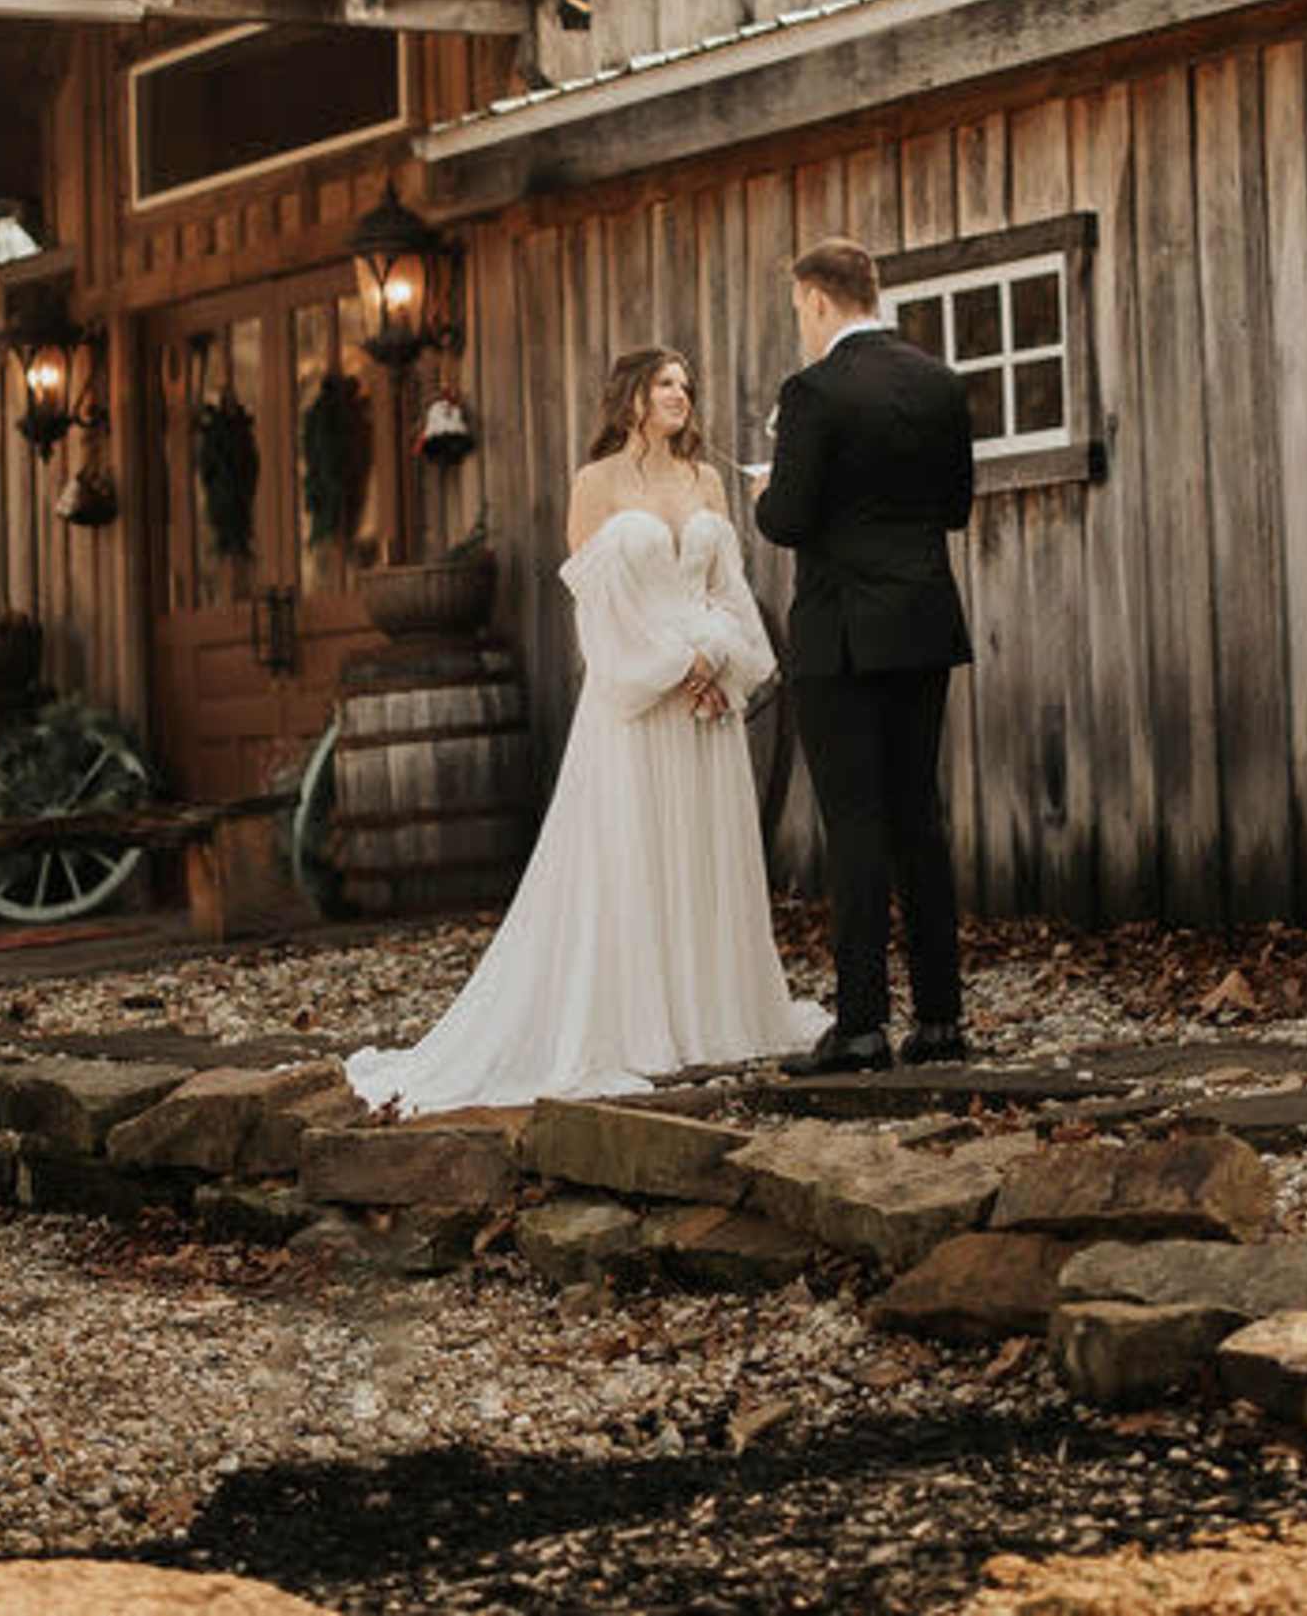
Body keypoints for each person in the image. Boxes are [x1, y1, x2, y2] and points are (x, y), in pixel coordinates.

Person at [344, 346, 826, 1113]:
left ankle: (713, 1015)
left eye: (687, 383)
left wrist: (719, 658)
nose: (682, 394)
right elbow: (598, 612)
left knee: (704, 854)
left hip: (706, 706)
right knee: (635, 856)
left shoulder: (705, 482)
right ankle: (638, 1022)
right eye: (667, 382)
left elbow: (731, 592)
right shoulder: (593, 485)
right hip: (637, 705)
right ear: (632, 396)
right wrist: (674, 663)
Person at [755, 235, 978, 1076]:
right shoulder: (939, 382)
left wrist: (765, 485)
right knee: (919, 818)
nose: (800, 325)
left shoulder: (812, 392)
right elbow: (954, 506)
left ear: (816, 298)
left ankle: (860, 1025)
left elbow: (787, 518)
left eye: (797, 310)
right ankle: (942, 1021)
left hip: (844, 635)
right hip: (922, 623)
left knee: (855, 826)